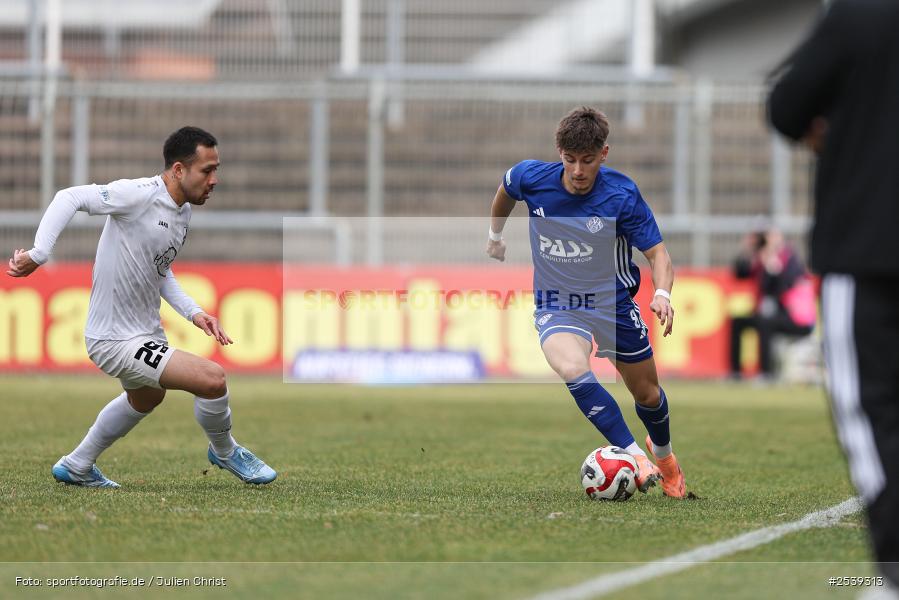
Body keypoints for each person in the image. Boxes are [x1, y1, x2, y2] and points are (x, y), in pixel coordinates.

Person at [6, 126, 276, 488]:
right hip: (114, 339)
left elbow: (160, 271)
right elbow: (68, 196)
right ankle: (226, 452)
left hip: (144, 333)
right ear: (179, 170)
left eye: (216, 169)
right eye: (207, 170)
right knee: (213, 380)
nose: (214, 179)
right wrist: (39, 253)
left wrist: (194, 312)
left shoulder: (181, 213)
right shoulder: (138, 194)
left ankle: (77, 465)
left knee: (147, 396)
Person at [486, 106, 686, 498]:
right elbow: (505, 191)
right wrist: (495, 234)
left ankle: (663, 457)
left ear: (604, 154)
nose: (578, 170)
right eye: (570, 160)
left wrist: (662, 294)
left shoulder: (621, 194)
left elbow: (658, 255)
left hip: (612, 304)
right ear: (559, 152)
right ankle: (635, 457)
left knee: (647, 394)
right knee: (572, 367)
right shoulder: (532, 177)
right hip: (557, 302)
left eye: (588, 161)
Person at [768, 0, 899, 592]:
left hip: (867, 248)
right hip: (866, 246)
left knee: (874, 416)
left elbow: (787, 106)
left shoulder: (859, 15)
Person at [729, 227, 816, 380]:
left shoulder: (789, 258)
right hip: (772, 315)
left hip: (794, 318)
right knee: (738, 322)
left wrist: (772, 265)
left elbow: (785, 285)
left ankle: (766, 373)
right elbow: (740, 273)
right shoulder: (761, 258)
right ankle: (736, 373)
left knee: (765, 323)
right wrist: (749, 250)